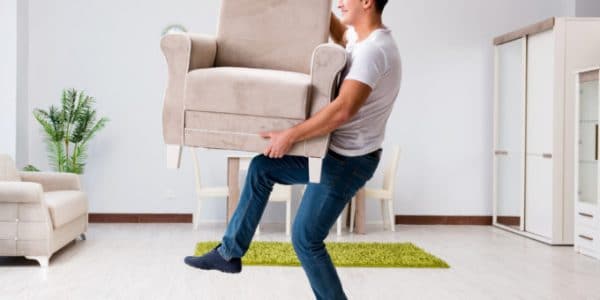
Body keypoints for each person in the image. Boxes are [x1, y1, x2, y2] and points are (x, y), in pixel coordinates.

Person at [184, 0, 400, 299]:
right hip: (333, 153)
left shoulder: (374, 51)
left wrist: (290, 136)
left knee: (306, 238)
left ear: (366, 2)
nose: (339, 2)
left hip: (348, 161)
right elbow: (338, 33)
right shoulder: (361, 41)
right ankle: (229, 253)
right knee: (262, 168)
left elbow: (343, 110)